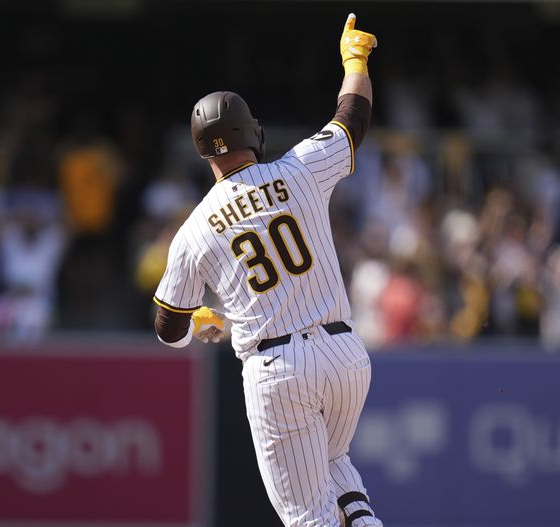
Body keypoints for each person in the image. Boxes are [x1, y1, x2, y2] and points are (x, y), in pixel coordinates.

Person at [153, 14, 381, 527]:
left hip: (278, 369)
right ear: (251, 132)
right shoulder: (299, 169)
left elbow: (167, 326)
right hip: (344, 354)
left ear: (201, 150)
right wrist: (355, 63)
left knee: (309, 518)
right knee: (334, 463)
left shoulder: (193, 230)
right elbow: (353, 119)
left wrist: (199, 321)